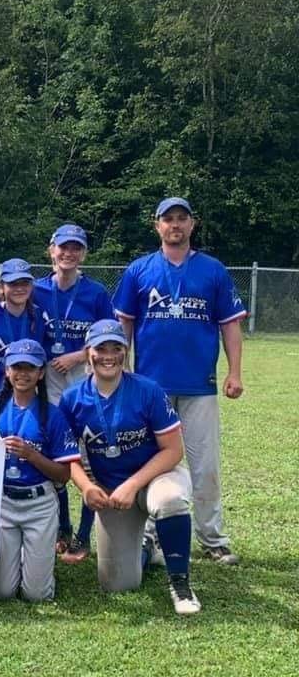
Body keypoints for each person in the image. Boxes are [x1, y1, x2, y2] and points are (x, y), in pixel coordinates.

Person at [113, 197, 246, 566]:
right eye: (168, 219)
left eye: (181, 219)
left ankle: (212, 538)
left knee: (205, 464)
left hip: (198, 384)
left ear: (192, 224)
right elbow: (123, 325)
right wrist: (121, 373)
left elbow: (230, 326)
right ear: (157, 226)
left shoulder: (213, 270)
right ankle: (149, 537)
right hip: (149, 388)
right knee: (152, 461)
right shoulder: (139, 270)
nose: (175, 225)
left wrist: (234, 373)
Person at [59, 320, 201, 615]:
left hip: (155, 479)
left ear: (125, 352)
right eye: (101, 348)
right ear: (88, 352)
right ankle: (148, 546)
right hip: (111, 492)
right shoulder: (72, 398)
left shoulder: (147, 390)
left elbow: (173, 451)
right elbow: (66, 454)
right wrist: (87, 487)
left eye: (116, 348)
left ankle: (180, 583)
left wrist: (133, 484)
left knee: (170, 500)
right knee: (117, 584)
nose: (108, 355)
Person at [32, 224, 115, 564]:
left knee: (89, 456)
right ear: (51, 250)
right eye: (63, 247)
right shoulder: (35, 289)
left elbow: (110, 339)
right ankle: (62, 527)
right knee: (57, 453)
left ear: (83, 254)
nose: (68, 254)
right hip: (48, 378)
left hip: (84, 375)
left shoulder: (95, 292)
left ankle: (83, 535)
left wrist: (79, 356)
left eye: (76, 248)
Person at [0, 340, 80, 602]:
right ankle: (22, 555)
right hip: (4, 502)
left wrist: (32, 455)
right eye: (17, 367)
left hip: (39, 504)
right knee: (1, 592)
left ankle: (35, 557)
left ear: (41, 373)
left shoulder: (52, 415)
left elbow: (63, 475)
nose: (23, 374)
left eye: (30, 368)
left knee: (36, 595)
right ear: (7, 371)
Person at [0, 258, 46, 416]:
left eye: (25, 283)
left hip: (25, 392)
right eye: (13, 284)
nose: (19, 289)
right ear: (1, 287)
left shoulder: (38, 316)